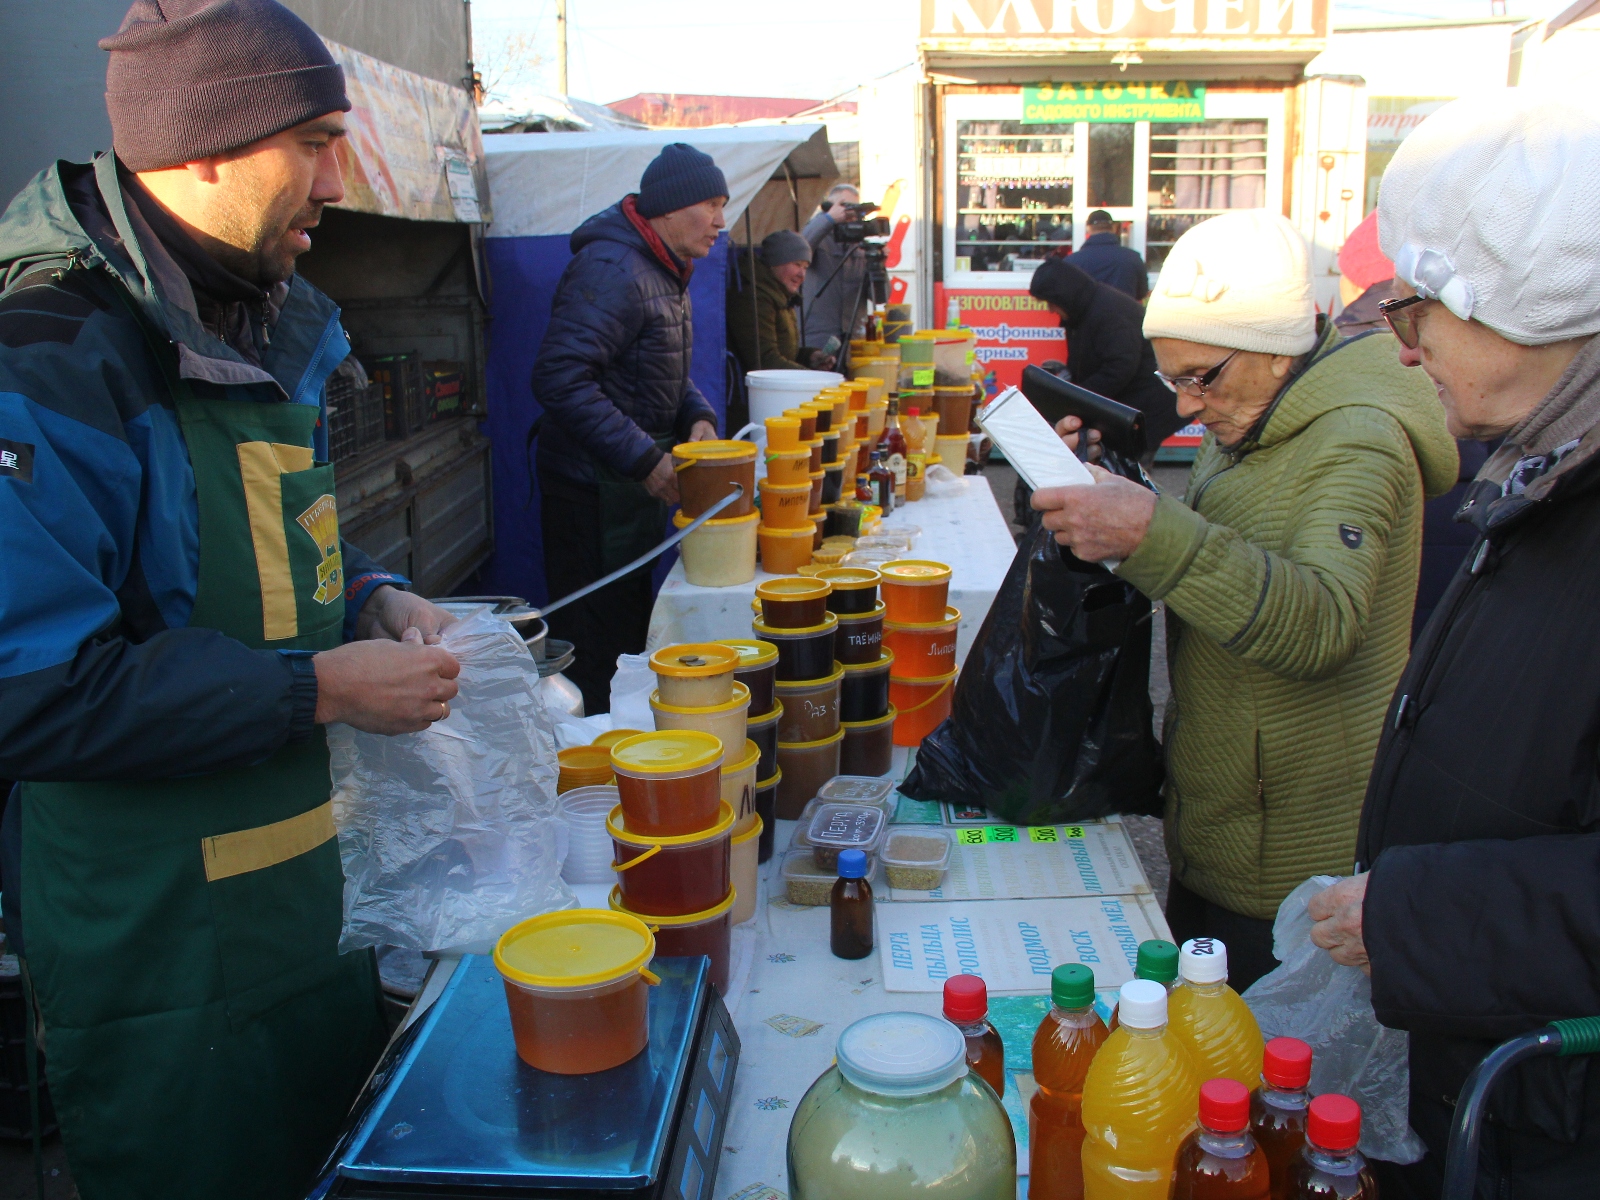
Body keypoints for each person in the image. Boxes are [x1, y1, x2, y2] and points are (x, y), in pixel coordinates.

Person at [0, 2, 464, 1196]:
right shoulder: (49, 354)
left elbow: (281, 546)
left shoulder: (259, 320)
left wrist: (370, 599)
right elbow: (33, 692)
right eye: (311, 140)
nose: (337, 176)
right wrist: (315, 690)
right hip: (158, 949)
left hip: (305, 900)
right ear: (202, 147)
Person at [1033, 210, 1456, 991]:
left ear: (1278, 348)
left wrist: (1150, 531)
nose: (1187, 406)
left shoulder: (1358, 436)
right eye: (1173, 380)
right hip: (1220, 826)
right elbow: (1217, 552)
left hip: (1288, 869)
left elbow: (1323, 622)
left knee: (1249, 1085)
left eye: (1204, 377)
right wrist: (1109, 505)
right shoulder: (1250, 421)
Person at [1308, 93, 1600, 1198]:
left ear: (1534, 300)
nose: (1403, 337)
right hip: (1496, 1081)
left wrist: (1416, 912)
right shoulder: (1541, 461)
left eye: (1422, 302)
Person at [531, 143, 725, 713]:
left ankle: (626, 764)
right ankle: (591, 777)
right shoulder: (614, 267)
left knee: (624, 639)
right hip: (590, 497)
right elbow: (559, 377)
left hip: (622, 491)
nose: (720, 220)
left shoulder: (662, 269)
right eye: (710, 204)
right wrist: (645, 459)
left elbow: (656, 370)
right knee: (595, 647)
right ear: (668, 208)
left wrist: (698, 416)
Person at [1028, 255, 1181, 450]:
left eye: (1050, 303)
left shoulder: (1110, 313)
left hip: (1148, 403)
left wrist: (1078, 399)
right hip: (1134, 402)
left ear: (1063, 296)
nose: (1050, 310)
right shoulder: (1084, 309)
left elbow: (1119, 368)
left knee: (1130, 465)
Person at [727, 229, 837, 374]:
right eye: (797, 264)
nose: (802, 275)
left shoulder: (781, 294)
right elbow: (765, 361)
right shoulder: (754, 298)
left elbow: (786, 353)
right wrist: (813, 378)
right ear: (775, 263)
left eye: (805, 267)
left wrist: (811, 357)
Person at [800, 182, 869, 351]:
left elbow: (881, 296)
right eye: (844, 207)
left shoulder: (860, 246)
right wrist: (829, 220)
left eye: (855, 210)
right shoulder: (819, 236)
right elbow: (802, 247)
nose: (849, 215)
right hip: (817, 338)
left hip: (852, 339)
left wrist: (878, 265)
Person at [1068, 209, 1149, 300]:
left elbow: (1065, 296)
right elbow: (1142, 292)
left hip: (1086, 313)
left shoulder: (1072, 261)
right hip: (1123, 312)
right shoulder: (1133, 258)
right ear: (1113, 228)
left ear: (1088, 228)